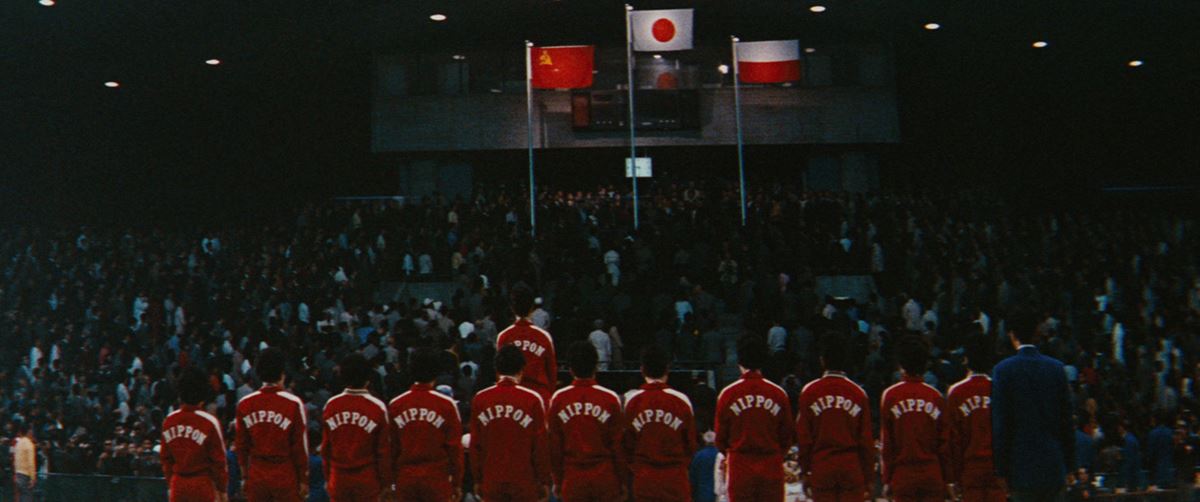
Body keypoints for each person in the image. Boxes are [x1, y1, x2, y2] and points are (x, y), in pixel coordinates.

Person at [992, 314, 1075, 501]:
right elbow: (1067, 423)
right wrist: (1070, 465)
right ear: (1037, 333)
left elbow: (1001, 426)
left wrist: (1001, 470)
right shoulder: (1056, 368)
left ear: (1012, 335)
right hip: (1053, 465)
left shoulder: (1003, 370)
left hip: (1021, 468)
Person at [795, 332, 875, 502]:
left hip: (821, 465)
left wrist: (804, 471)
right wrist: (869, 477)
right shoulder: (858, 393)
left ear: (822, 360)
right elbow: (866, 440)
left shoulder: (809, 392)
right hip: (851, 466)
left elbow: (804, 438)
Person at [715, 335, 794, 501]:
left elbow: (720, 439)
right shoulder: (778, 393)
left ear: (739, 362)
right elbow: (787, 436)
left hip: (740, 466)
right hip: (770, 465)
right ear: (763, 361)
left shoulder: (728, 394)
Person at [469, 343, 551, 501]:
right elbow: (540, 446)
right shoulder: (532, 400)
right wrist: (544, 480)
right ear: (521, 370)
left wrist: (477, 479)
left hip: (491, 480)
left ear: (497, 370)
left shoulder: (481, 399)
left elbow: (476, 445)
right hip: (524, 482)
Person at [548, 341, 625, 502]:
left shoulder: (559, 399)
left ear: (570, 369)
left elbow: (555, 447)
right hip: (605, 477)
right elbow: (617, 446)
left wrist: (557, 480)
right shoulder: (610, 398)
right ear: (596, 367)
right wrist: (622, 480)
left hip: (572, 478)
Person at [387, 347, 464, 502]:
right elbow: (455, 448)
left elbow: (391, 448)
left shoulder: (396, 405)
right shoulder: (446, 405)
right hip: (437, 480)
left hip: (405, 479)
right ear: (436, 372)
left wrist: (389, 483)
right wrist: (457, 482)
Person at [880, 335, 951, 502]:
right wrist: (948, 479)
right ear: (926, 365)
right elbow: (944, 443)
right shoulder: (935, 396)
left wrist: (887, 479)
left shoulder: (890, 396)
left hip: (902, 475)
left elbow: (887, 444)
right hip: (932, 473)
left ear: (900, 364)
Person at [624, 345, 697, 502]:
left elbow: (627, 444)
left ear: (642, 370)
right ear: (667, 369)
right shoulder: (681, 400)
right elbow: (691, 444)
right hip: (675, 478)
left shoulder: (632, 402)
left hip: (644, 478)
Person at [235, 347, 309, 502]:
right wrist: (303, 478)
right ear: (282, 373)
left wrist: (244, 477)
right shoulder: (294, 403)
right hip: (285, 473)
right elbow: (300, 446)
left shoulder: (245, 404)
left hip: (257, 474)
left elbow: (241, 446)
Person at [320, 353, 391, 502]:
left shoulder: (331, 405)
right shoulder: (377, 407)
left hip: (338, 478)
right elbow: (383, 451)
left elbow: (326, 449)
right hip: (367, 480)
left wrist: (328, 478)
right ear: (368, 378)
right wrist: (386, 483)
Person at [948, 334, 1005, 502]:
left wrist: (954, 476)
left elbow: (953, 439)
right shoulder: (1000, 388)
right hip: (997, 467)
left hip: (970, 468)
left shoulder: (956, 392)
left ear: (966, 360)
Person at [160, 366, 229, 502]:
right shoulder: (209, 422)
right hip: (202, 486)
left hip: (178, 485)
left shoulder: (169, 420)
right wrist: (222, 490)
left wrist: (171, 484)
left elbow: (165, 459)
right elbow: (219, 462)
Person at [496, 285, 559, 405]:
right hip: (540, 397)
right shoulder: (544, 337)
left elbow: (500, 374)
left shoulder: (504, 337)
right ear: (532, 307)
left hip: (513, 399)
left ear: (512, 308)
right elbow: (552, 373)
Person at [13, 422, 37, 502]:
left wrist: (15, 473)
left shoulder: (18, 443)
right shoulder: (29, 444)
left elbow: (15, 460)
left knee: (19, 498)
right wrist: (33, 478)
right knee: (27, 498)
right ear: (29, 431)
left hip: (18, 474)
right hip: (26, 475)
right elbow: (31, 463)